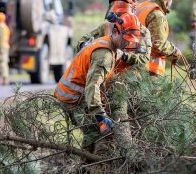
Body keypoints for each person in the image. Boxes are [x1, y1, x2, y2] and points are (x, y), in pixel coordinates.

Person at [54, 13, 141, 153]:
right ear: (115, 31)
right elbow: (92, 85)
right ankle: (88, 165)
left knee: (98, 132)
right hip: (71, 98)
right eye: (125, 39)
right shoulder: (104, 55)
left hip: (78, 95)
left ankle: (89, 162)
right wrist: (100, 116)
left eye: (130, 40)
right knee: (94, 133)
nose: (127, 43)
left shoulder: (109, 44)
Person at [76, 0, 152, 74]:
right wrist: (85, 46)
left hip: (130, 80)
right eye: (118, 15)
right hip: (107, 77)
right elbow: (81, 42)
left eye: (124, 15)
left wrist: (125, 56)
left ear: (133, 12)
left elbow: (145, 59)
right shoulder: (106, 26)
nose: (120, 19)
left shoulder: (143, 32)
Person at [136, 0, 183, 76]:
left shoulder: (142, 6)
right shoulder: (157, 14)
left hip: (134, 64)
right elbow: (158, 45)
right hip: (149, 70)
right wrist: (174, 51)